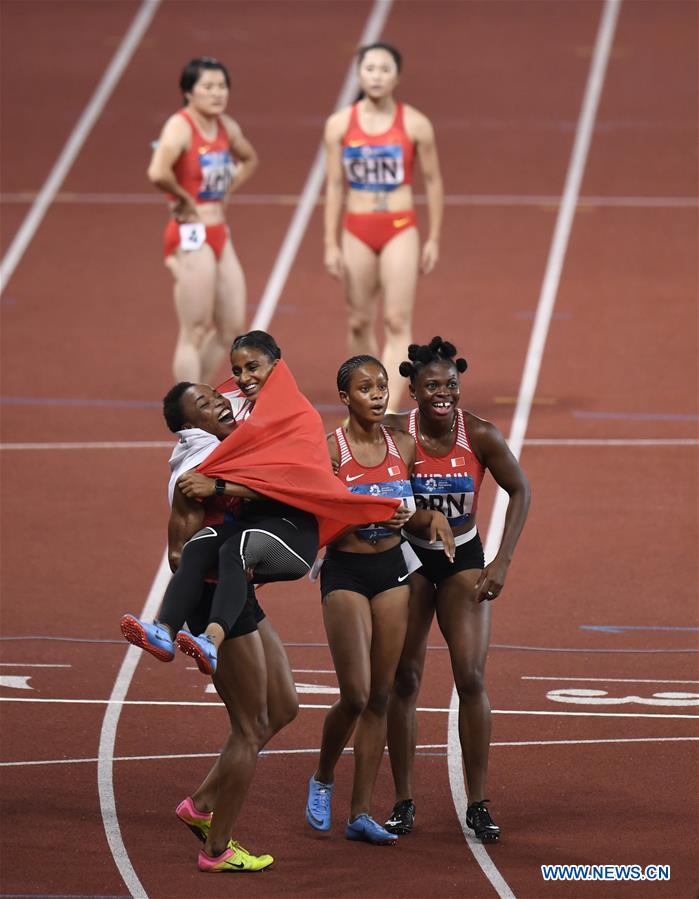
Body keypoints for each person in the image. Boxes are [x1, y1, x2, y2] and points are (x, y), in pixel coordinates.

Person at [383, 337, 530, 842]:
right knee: (405, 678)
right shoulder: (395, 434)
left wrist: (502, 560)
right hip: (409, 557)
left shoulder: (480, 435)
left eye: (451, 385)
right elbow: (373, 492)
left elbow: (520, 488)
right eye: (432, 387)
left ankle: (478, 802)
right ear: (414, 390)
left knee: (469, 675)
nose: (443, 394)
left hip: (463, 556)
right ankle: (403, 801)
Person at [305, 355, 454, 845]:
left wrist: (423, 520)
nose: (376, 394)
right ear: (345, 398)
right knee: (355, 693)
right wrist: (363, 514)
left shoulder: (404, 446)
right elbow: (318, 525)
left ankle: (361, 813)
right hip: (345, 572)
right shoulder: (331, 452)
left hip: (392, 571)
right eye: (365, 388)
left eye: (382, 386)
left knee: (382, 696)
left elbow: (406, 515)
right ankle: (323, 777)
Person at [323, 42, 444, 412]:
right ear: (359, 74)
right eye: (369, 69)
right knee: (360, 319)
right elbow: (334, 185)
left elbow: (433, 180)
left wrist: (434, 237)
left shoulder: (416, 124)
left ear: (397, 76)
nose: (376, 76)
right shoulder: (340, 124)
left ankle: (387, 409)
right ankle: (365, 392)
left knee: (396, 319)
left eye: (384, 69)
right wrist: (330, 241)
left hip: (399, 226)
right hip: (357, 227)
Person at [148, 56, 258, 382]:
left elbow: (250, 159)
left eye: (222, 86)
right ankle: (187, 417)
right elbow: (157, 171)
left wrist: (227, 189)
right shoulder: (180, 126)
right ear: (188, 92)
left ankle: (199, 397)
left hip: (219, 229)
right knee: (194, 330)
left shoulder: (226, 126)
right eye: (207, 87)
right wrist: (182, 198)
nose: (217, 93)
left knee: (231, 327)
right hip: (190, 231)